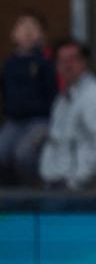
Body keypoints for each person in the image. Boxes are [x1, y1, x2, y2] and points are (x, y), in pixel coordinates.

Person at [39, 39, 96, 190]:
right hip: (56, 185)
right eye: (62, 61)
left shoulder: (95, 96)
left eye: (72, 60)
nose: (67, 65)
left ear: (84, 63)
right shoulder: (62, 99)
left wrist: (76, 182)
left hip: (81, 190)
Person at [0, 11, 58, 186]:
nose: (27, 31)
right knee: (2, 153)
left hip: (39, 120)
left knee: (24, 154)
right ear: (14, 34)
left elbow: (53, 93)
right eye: (22, 26)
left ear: (42, 36)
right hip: (14, 122)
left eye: (33, 28)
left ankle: (34, 190)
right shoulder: (9, 64)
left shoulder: (45, 63)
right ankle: (10, 195)